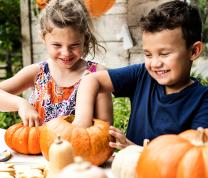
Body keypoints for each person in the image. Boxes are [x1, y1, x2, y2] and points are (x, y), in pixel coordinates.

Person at [73, 0, 208, 149]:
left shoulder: (203, 100)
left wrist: (134, 150)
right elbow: (91, 80)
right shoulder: (142, 75)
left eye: (164, 54)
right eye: (148, 55)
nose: (155, 63)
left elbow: (194, 157)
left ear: (194, 51)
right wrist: (81, 123)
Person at [0, 0, 113, 127]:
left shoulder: (97, 73)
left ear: (85, 39)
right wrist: (20, 104)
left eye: (74, 45)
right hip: (38, 146)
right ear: (43, 38)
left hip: (80, 145)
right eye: (57, 45)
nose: (66, 53)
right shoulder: (37, 72)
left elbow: (105, 129)